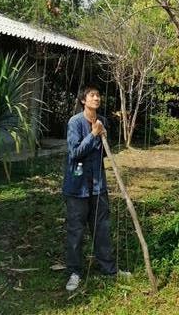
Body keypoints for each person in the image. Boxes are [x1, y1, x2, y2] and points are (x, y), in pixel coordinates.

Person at [62, 84, 127, 292]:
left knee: (102, 229)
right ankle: (74, 272)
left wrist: (103, 136)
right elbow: (75, 153)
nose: (96, 98)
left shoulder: (102, 121)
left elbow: (103, 154)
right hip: (77, 187)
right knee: (76, 231)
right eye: (92, 95)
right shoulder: (75, 122)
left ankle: (109, 268)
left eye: (98, 95)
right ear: (83, 100)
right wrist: (93, 135)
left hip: (98, 185)